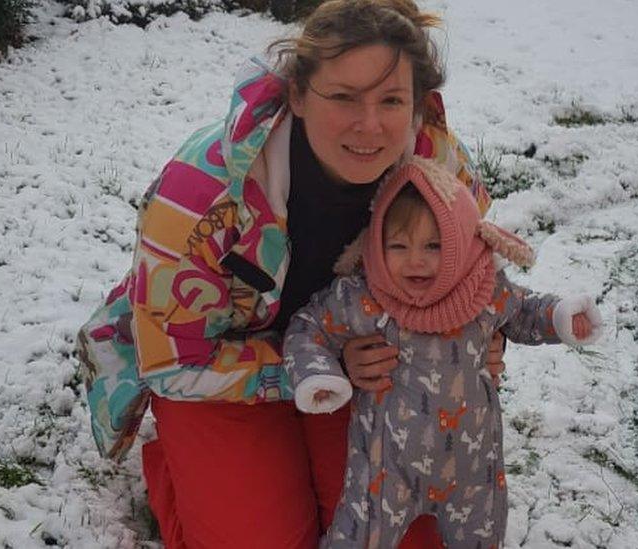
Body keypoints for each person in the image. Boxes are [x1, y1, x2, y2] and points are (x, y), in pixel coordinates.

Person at [75, 0, 508, 546]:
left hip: (361, 365)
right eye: (344, 97)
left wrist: (485, 336)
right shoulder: (200, 194)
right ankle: (174, 468)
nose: (370, 126)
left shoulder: (439, 172)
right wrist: (308, 369)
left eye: (391, 100)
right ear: (298, 94)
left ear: (417, 103)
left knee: (410, 540)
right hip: (221, 370)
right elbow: (171, 360)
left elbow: (470, 278)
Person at [282, 158, 602, 548]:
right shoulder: (366, 298)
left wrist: (561, 317)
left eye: (434, 245)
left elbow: (524, 310)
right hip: (385, 472)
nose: (416, 260)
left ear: (463, 242)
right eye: (398, 245)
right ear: (376, 246)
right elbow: (308, 326)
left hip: (473, 473)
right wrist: (319, 373)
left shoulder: (482, 290)